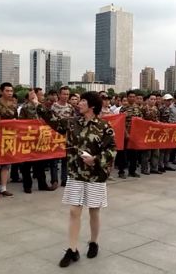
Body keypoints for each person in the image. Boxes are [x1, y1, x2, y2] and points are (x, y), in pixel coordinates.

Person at [34, 91, 116, 268]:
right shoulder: (72, 123)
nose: (79, 103)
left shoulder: (104, 126)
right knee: (74, 212)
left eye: (83, 101)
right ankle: (72, 250)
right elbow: (53, 121)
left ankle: (93, 242)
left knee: (94, 210)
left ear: (92, 106)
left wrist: (95, 159)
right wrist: (37, 104)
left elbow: (111, 150)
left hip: (95, 175)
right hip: (76, 174)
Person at [19, 88, 54, 193]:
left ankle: (42, 184)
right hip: (29, 138)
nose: (42, 97)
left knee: (41, 164)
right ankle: (27, 186)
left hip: (41, 137)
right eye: (40, 95)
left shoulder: (43, 107)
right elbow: (20, 122)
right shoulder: (25, 107)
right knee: (27, 164)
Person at [51, 86, 75, 186]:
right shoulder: (53, 106)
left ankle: (64, 179)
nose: (65, 96)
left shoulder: (70, 107)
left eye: (67, 94)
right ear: (59, 94)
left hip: (67, 136)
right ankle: (54, 180)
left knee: (66, 159)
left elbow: (73, 120)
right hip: (55, 135)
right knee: (54, 159)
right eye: (64, 94)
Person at [119, 90, 142, 178]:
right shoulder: (123, 108)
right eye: (130, 97)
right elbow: (121, 122)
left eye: (133, 97)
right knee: (123, 154)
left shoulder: (138, 108)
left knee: (134, 154)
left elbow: (141, 121)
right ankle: (121, 171)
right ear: (127, 98)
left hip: (135, 134)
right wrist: (126, 133)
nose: (132, 98)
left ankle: (132, 171)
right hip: (125, 133)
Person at [140, 93, 160, 174]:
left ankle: (154, 168)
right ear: (148, 100)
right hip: (147, 132)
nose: (153, 101)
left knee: (156, 152)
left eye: (154, 99)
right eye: (151, 99)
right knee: (146, 153)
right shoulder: (144, 108)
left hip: (155, 132)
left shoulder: (156, 109)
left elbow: (158, 119)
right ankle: (144, 169)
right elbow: (141, 120)